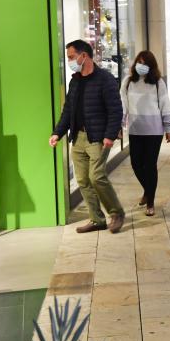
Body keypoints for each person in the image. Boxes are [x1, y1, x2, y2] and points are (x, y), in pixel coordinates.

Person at [50, 40, 125, 234]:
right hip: (78, 137)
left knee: (97, 176)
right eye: (68, 58)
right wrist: (58, 132)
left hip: (98, 137)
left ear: (84, 56)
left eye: (72, 57)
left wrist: (110, 135)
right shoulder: (74, 81)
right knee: (83, 180)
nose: (70, 61)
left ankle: (116, 213)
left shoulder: (105, 79)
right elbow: (68, 110)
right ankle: (97, 219)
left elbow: (115, 110)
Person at [120, 51, 170, 217]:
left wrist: (169, 128)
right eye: (139, 62)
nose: (141, 66)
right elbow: (122, 104)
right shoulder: (128, 82)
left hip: (154, 130)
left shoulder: (158, 83)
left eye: (145, 63)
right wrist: (119, 125)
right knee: (136, 164)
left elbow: (165, 104)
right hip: (135, 129)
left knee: (150, 165)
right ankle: (147, 190)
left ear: (151, 66)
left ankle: (150, 201)